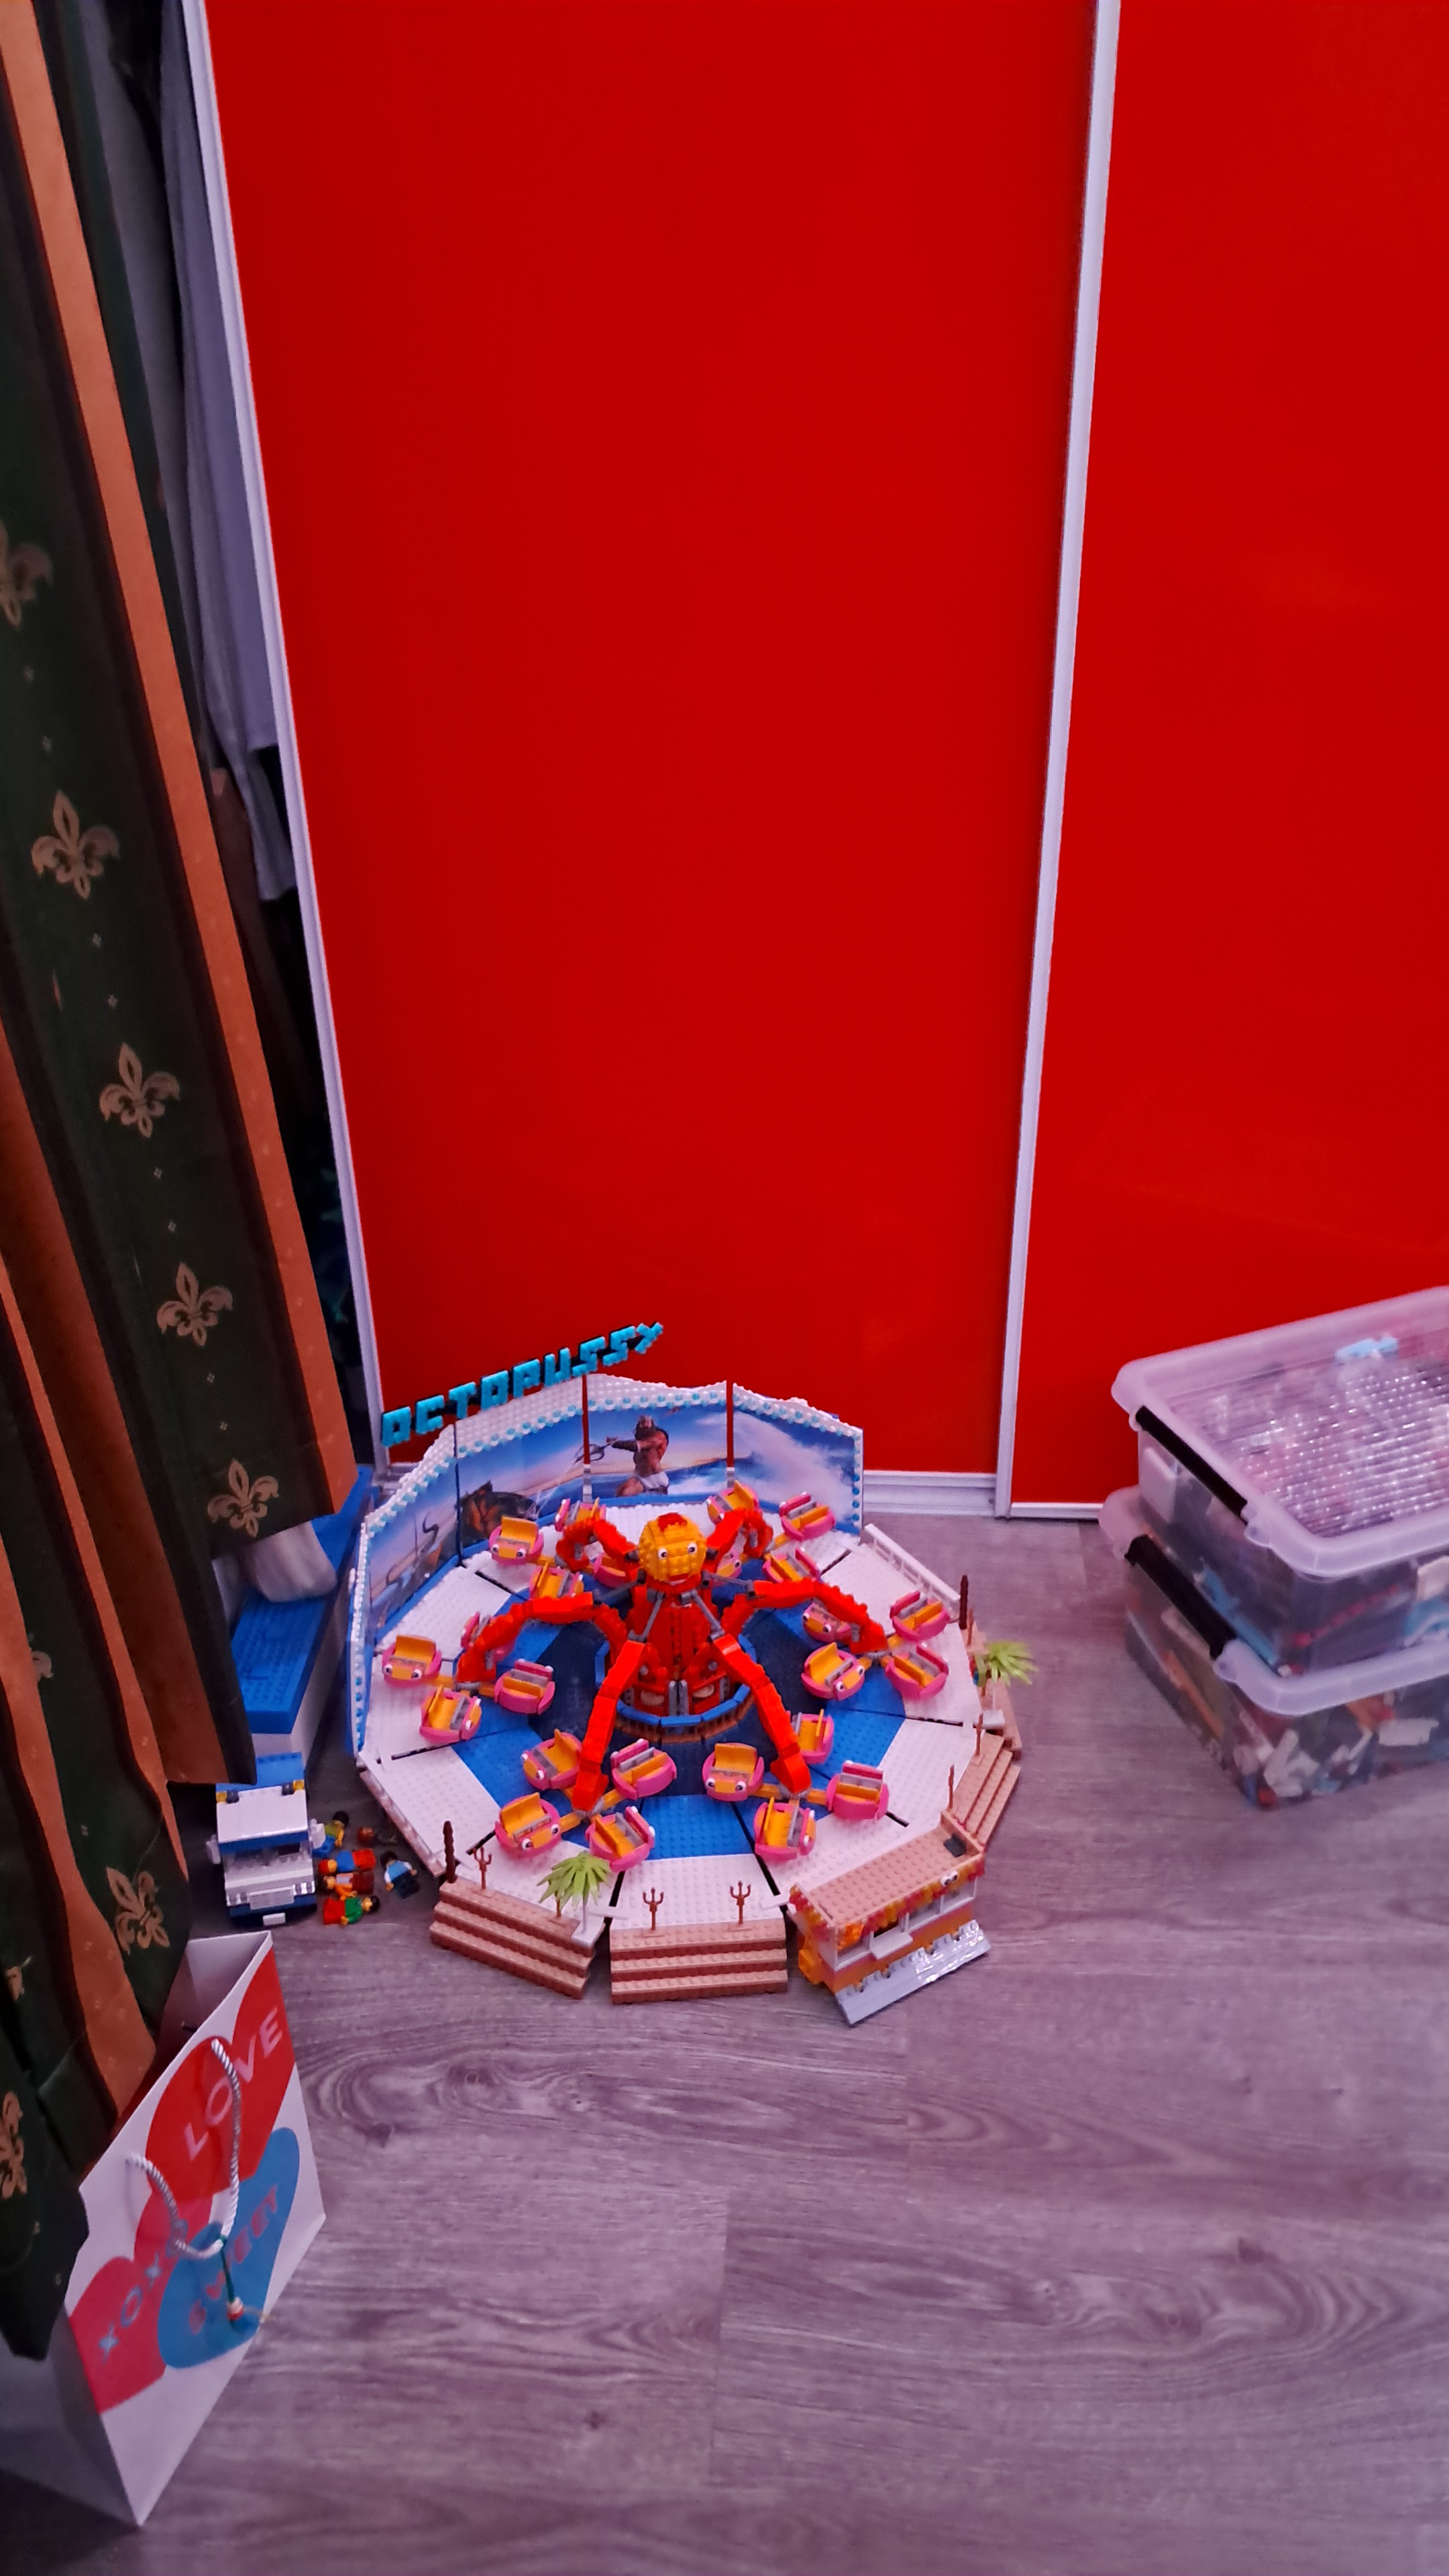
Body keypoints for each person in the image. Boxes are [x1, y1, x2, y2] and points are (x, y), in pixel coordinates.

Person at [608, 1415, 670, 1495]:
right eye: (642, 1422)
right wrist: (613, 1442)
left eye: (647, 1422)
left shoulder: (659, 1436)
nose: (645, 1425)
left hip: (654, 1478)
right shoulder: (640, 1438)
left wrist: (616, 1444)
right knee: (620, 1491)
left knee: (626, 1493)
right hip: (639, 1477)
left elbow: (638, 1445)